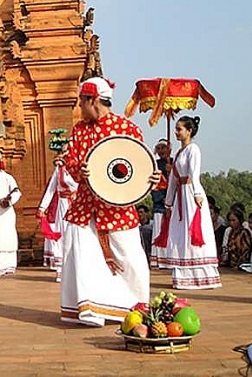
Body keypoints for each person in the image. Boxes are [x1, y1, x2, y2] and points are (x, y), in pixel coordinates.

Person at [59, 77, 158, 327]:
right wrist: (78, 169)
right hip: (85, 207)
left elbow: (140, 167)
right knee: (83, 257)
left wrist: (154, 176)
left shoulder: (128, 130)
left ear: (93, 100)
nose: (79, 107)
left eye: (82, 101)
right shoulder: (79, 130)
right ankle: (90, 309)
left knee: (131, 258)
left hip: (118, 207)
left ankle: (134, 307)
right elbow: (70, 162)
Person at [154, 116, 221, 290]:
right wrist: (168, 203)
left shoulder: (193, 149)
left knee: (193, 232)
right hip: (179, 198)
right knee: (180, 233)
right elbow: (173, 181)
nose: (176, 132)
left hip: (191, 194)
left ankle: (201, 274)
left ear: (189, 131)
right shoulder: (178, 153)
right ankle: (184, 275)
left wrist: (197, 194)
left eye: (179, 129)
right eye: (175, 129)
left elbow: (194, 173)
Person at [37, 150, 77, 280]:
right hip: (63, 205)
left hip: (78, 205)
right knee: (62, 234)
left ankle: (77, 267)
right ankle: (61, 269)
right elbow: (51, 189)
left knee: (78, 234)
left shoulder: (79, 166)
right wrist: (43, 207)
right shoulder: (59, 169)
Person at [149, 139, 171, 268]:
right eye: (160, 148)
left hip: (174, 203)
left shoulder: (174, 163)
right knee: (159, 231)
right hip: (160, 204)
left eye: (165, 147)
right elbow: (153, 185)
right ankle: (160, 260)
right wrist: (162, 199)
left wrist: (172, 170)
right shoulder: (154, 165)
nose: (162, 150)